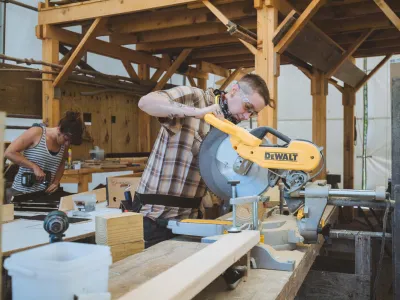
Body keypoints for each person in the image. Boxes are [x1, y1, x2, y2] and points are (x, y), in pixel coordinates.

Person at [135, 74, 271, 248]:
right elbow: (146, 103)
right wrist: (197, 113)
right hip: (154, 217)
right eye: (247, 107)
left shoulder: (229, 130)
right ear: (234, 90)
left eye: (252, 113)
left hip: (191, 221)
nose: (246, 116)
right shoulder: (196, 98)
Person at [5, 111, 84, 203]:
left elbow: (62, 163)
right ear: (59, 129)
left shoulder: (65, 144)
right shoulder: (36, 133)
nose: (67, 144)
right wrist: (33, 166)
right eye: (66, 139)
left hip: (44, 195)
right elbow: (9, 152)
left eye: (70, 142)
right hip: (21, 194)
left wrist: (56, 181)